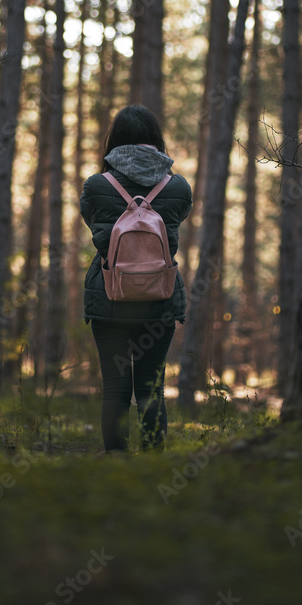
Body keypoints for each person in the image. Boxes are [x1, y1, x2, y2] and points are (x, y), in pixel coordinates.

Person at [80, 104, 192, 453]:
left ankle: (116, 462)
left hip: (109, 295)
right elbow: (178, 219)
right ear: (156, 139)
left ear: (115, 140)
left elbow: (91, 219)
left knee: (115, 387)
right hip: (159, 300)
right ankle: (153, 464)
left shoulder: (97, 185)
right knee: (150, 387)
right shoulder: (178, 187)